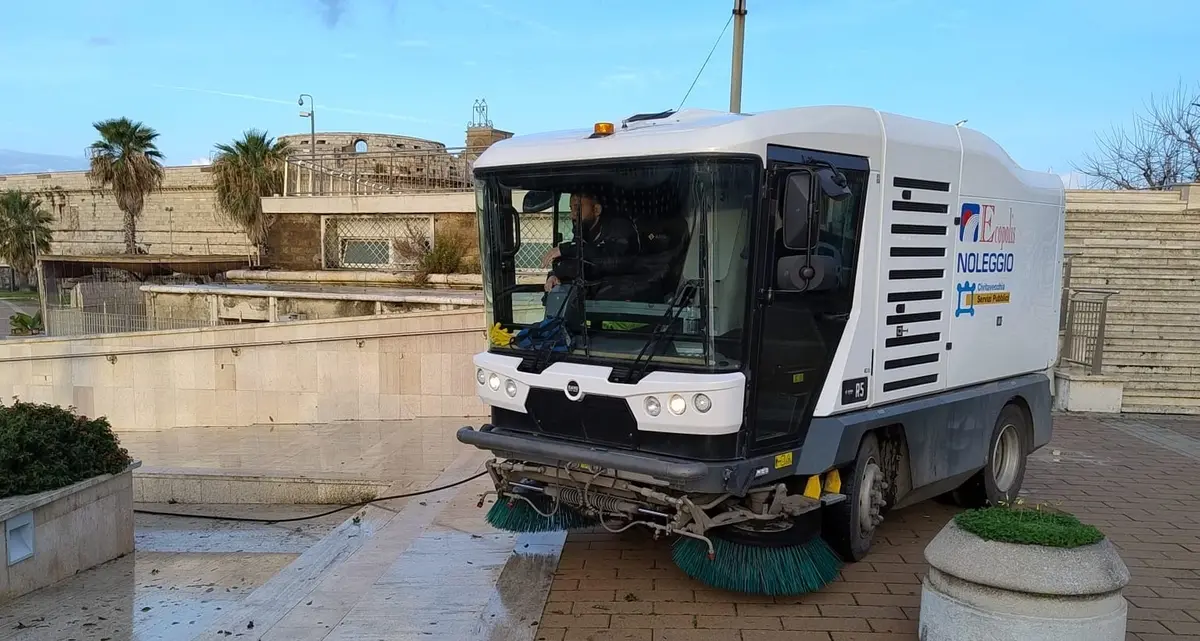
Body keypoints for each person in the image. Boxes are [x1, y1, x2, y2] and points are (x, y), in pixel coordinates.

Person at [542, 190, 641, 296]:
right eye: (571, 209)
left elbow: (611, 261)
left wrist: (568, 249)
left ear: (596, 209)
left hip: (623, 302)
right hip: (589, 304)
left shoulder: (620, 227)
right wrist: (555, 276)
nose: (572, 215)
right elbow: (575, 263)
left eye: (577, 208)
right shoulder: (583, 232)